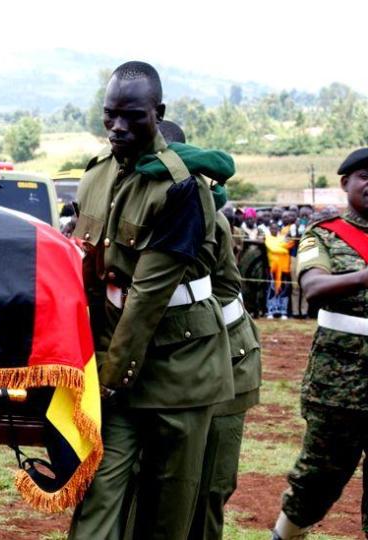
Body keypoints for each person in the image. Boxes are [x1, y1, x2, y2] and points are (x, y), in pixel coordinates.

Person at [67, 61, 233, 540]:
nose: (118, 128)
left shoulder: (181, 187)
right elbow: (90, 274)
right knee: (97, 497)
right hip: (113, 362)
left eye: (133, 116)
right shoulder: (95, 175)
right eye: (110, 115)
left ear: (158, 114)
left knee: (167, 512)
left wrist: (110, 375)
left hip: (181, 370)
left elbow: (149, 294)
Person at [157, 121, 263, 540]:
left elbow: (222, 292)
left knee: (208, 486)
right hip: (171, 360)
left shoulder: (202, 210)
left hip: (223, 362)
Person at [271, 148, 368, 540]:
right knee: (318, 479)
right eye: (364, 175)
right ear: (345, 183)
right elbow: (313, 288)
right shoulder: (324, 234)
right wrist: (364, 276)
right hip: (338, 384)